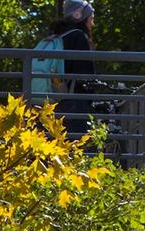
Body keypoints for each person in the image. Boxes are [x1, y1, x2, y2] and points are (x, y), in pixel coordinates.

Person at [46, 0, 96, 134]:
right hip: (73, 104)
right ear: (79, 16)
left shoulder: (56, 36)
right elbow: (85, 75)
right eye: (90, 19)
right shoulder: (78, 36)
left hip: (49, 101)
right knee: (74, 147)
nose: (92, 23)